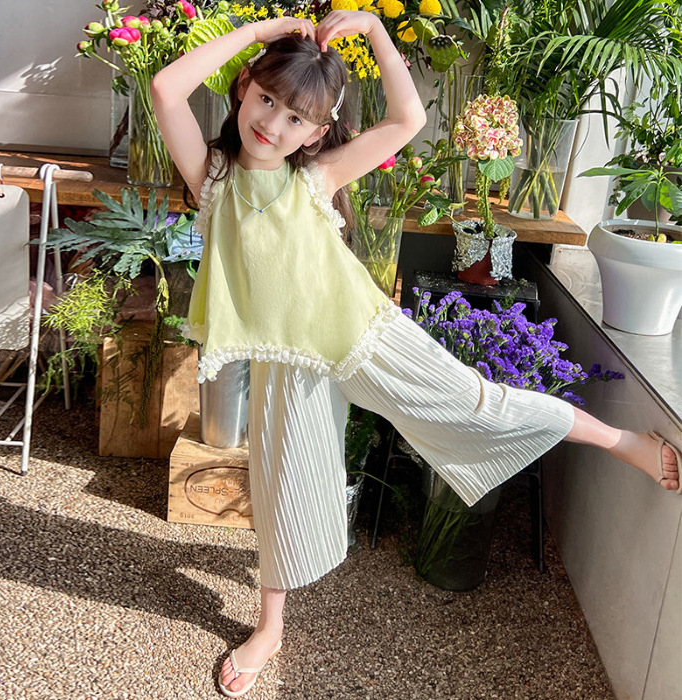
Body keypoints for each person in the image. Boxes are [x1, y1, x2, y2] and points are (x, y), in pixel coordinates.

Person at [151, 11, 681, 698]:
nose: (273, 124)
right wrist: (258, 33)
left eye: (295, 118)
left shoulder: (315, 177)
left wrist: (375, 29)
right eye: (266, 99)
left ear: (317, 132)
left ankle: (620, 440)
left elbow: (408, 118)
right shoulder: (214, 177)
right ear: (245, 86)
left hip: (367, 339)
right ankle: (270, 627)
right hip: (288, 361)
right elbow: (166, 88)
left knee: (479, 406)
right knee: (282, 487)